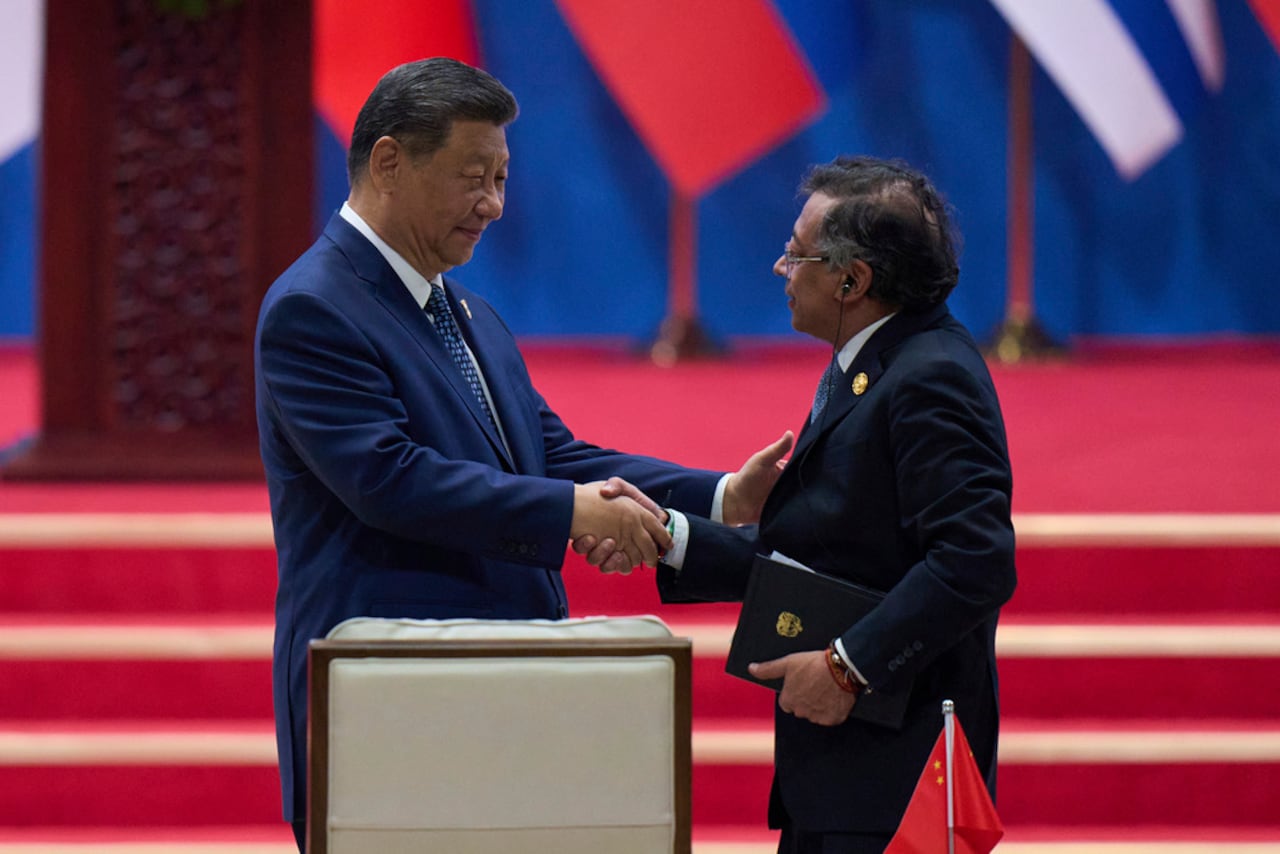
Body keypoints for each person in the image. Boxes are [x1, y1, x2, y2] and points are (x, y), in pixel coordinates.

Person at [253, 57, 790, 851]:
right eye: (475, 178)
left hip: (505, 692)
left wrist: (717, 499)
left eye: (502, 179)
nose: (494, 205)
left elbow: (547, 454)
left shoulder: (467, 310)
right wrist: (568, 514)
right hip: (389, 697)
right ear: (390, 161)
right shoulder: (314, 307)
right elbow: (388, 480)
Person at [600, 155, 1016, 853]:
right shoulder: (877, 360)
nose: (779, 267)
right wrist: (671, 534)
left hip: (897, 777)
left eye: (797, 254)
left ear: (854, 280)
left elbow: (974, 562)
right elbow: (830, 551)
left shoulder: (930, 377)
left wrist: (846, 668)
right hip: (846, 773)